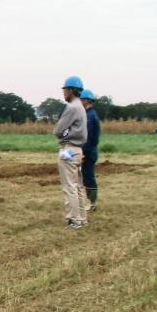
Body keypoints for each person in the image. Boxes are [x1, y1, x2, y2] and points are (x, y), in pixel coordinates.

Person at [53, 76, 88, 229]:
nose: (64, 93)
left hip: (69, 149)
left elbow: (58, 130)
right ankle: (82, 217)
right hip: (78, 150)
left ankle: (75, 220)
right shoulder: (80, 106)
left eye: (65, 90)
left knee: (69, 186)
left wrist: (63, 134)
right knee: (78, 185)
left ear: (71, 90)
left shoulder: (72, 107)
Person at [80, 89, 101, 211]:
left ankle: (93, 204)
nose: (80, 101)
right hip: (87, 151)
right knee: (86, 177)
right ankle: (90, 202)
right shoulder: (88, 114)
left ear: (87, 100)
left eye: (82, 99)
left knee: (89, 177)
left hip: (89, 152)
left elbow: (90, 138)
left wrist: (84, 152)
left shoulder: (90, 116)